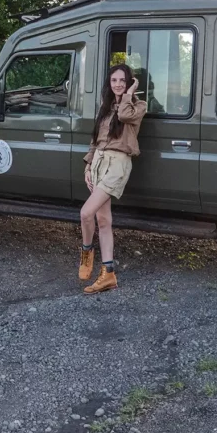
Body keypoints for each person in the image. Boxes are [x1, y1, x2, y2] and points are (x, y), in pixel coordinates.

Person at [77, 64, 147, 294]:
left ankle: (87, 251)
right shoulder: (105, 107)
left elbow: (125, 115)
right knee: (103, 220)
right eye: (114, 80)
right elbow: (95, 138)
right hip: (98, 161)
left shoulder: (138, 106)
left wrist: (129, 94)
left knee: (86, 213)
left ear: (130, 83)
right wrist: (88, 164)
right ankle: (108, 274)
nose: (118, 84)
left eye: (122, 81)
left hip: (117, 164)